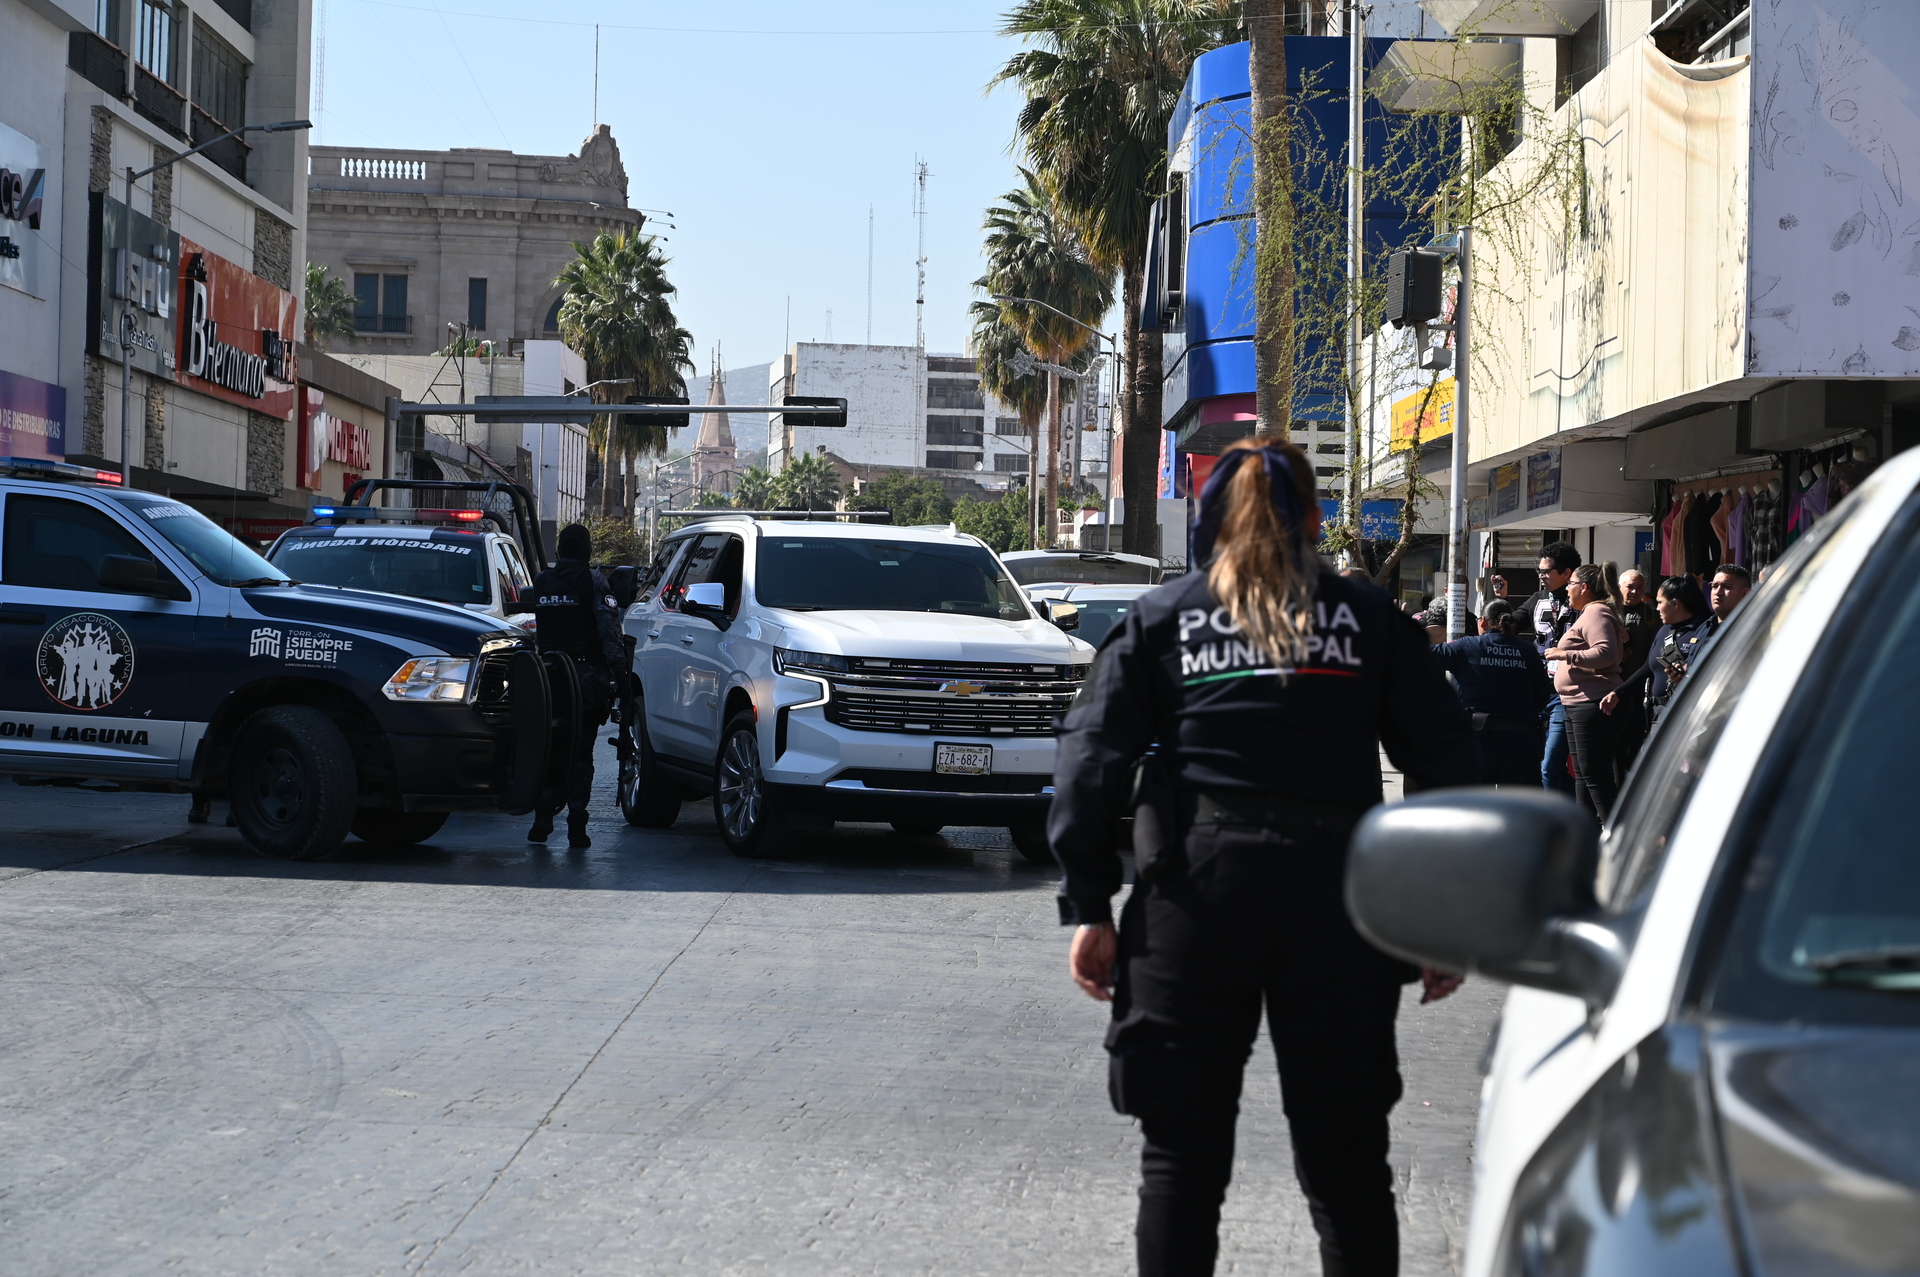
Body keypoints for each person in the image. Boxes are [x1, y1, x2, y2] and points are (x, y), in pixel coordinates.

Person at [1048, 438, 1479, 1277]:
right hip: (1340, 901)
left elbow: (1089, 760)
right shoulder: (1369, 618)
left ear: (1211, 521)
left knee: (1180, 1166)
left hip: (1198, 894)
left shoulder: (1165, 617)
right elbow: (1448, 761)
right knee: (1349, 1170)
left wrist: (1090, 905)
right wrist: (1436, 912)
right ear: (1314, 517)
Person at [527, 522, 625, 849]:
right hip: (585, 679)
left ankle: (543, 816)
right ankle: (576, 824)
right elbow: (610, 633)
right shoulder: (594, 581)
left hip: (548, 678)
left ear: (559, 550)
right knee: (582, 752)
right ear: (587, 551)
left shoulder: (542, 580)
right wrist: (621, 676)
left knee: (550, 748)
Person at [1431, 599, 1552, 786]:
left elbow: (1422, 654)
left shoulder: (1467, 646)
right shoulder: (1528, 650)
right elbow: (1543, 694)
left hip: (1478, 740)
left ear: (1483, 622)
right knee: (1517, 804)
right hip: (1521, 742)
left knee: (1476, 803)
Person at [1543, 564, 1625, 825]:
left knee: (1594, 773)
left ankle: (1615, 833)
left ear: (1584, 587)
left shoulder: (1597, 612)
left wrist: (1565, 654)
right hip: (1575, 702)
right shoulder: (1590, 613)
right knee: (1583, 773)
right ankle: (1586, 831)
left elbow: (1605, 653)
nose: (1567, 589)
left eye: (1571, 583)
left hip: (1592, 702)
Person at [1603, 575, 1711, 730]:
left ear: (1675, 604)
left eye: (1660, 602)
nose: (1657, 608)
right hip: (1658, 715)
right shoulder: (1664, 630)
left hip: (1688, 719)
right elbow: (1648, 667)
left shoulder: (1703, 631)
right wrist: (1619, 692)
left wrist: (1685, 678)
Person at [1520, 542, 1581, 794]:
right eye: (1539, 571)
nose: (1541, 576)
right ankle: (1575, 809)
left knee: (1550, 764)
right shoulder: (1538, 599)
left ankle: (1550, 816)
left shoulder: (1584, 602)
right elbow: (1510, 624)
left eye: (1546, 571)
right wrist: (1499, 603)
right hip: (1537, 691)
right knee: (1543, 764)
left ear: (1566, 573)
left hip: (1567, 693)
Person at [1610, 570, 1660, 786]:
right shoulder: (1607, 610)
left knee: (1634, 739)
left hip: (1637, 689)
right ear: (1619, 587)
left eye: (1640, 588)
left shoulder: (1650, 615)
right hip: (1608, 687)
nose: (1635, 591)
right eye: (1630, 586)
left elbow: (1654, 652)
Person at [1705, 563, 1752, 635]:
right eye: (1714, 586)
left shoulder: (1750, 631)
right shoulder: (1704, 627)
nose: (1718, 592)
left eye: (1727, 587)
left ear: (1745, 593)